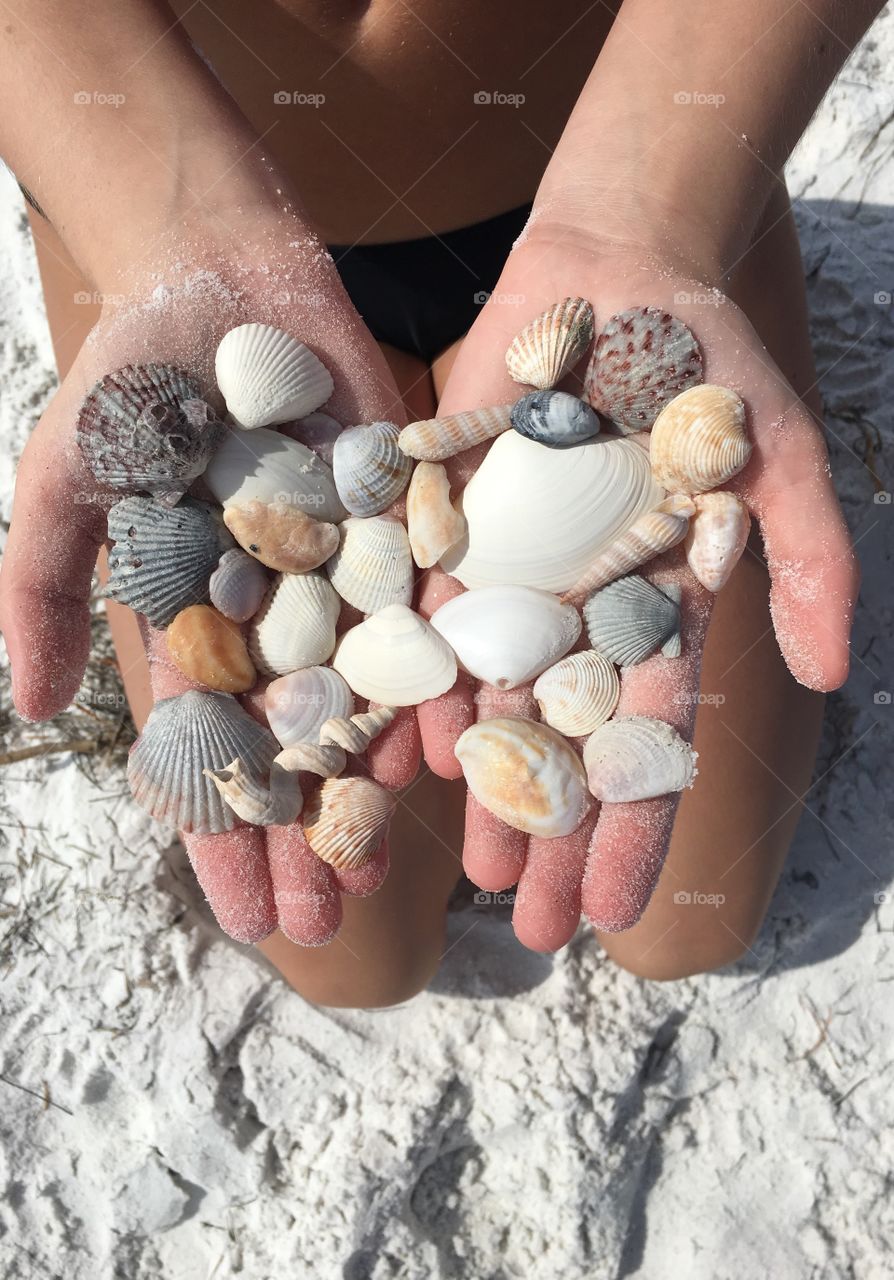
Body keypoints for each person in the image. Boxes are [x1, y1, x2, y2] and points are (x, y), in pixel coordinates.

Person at [0, 0, 879, 1006]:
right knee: (355, 964)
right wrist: (162, 230)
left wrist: (658, 203)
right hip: (149, 206)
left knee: (690, 923)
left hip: (634, 185)